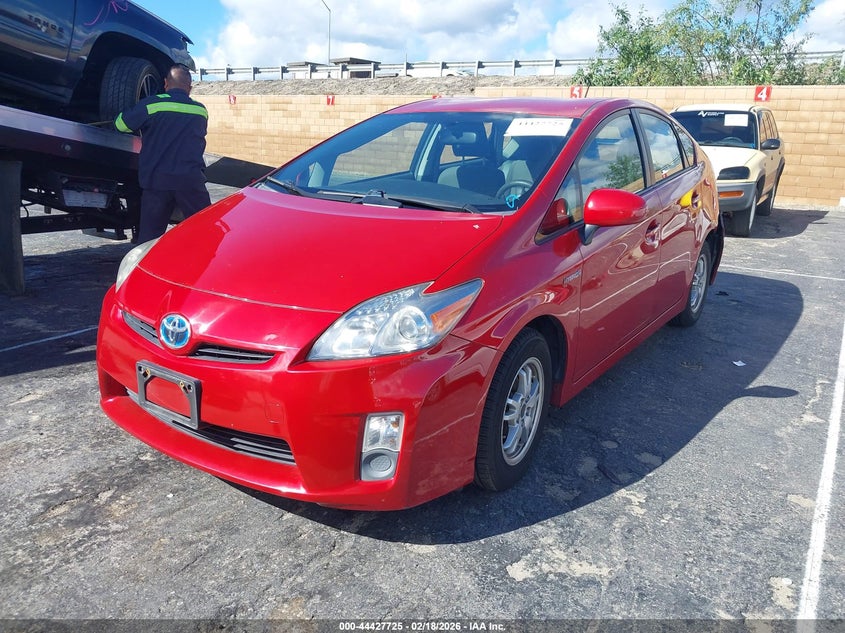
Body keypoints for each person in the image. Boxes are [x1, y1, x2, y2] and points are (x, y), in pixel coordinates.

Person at [115, 64, 211, 243]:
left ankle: (145, 268)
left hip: (157, 181)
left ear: (166, 83)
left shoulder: (153, 104)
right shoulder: (201, 111)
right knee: (205, 233)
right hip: (190, 182)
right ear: (189, 88)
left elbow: (121, 125)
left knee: (149, 239)